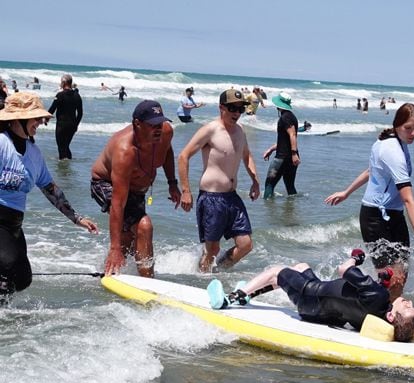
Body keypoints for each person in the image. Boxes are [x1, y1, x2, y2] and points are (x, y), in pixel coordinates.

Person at [324, 103, 414, 299]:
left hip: (394, 216)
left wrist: (346, 192)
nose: (413, 133)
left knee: (401, 275)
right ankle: (359, 303)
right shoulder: (391, 150)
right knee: (390, 278)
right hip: (375, 218)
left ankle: (385, 309)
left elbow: (371, 171)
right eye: (408, 128)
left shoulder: (396, 144)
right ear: (397, 125)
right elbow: (408, 198)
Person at [0, 92, 98, 300]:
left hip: (14, 224)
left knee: (22, 279)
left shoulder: (34, 153)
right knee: (6, 270)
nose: (41, 122)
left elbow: (51, 189)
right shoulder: (1, 143)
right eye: (36, 118)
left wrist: (77, 218)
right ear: (19, 119)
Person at [219, 250, 414, 342]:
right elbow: (362, 304)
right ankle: (251, 294)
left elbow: (343, 270)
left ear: (392, 317)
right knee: (301, 267)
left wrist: (355, 258)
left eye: (408, 306)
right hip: (319, 312)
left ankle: (234, 297)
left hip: (309, 297)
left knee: (277, 272)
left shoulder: (378, 295)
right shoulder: (377, 320)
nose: (408, 301)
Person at [90, 100, 181, 277]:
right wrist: (113, 247)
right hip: (105, 184)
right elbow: (118, 203)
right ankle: (148, 280)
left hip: (137, 190)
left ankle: (113, 274)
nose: (158, 129)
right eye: (152, 125)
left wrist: (172, 183)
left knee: (131, 238)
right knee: (143, 227)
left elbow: (167, 152)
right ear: (137, 124)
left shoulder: (166, 132)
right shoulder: (125, 152)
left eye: (160, 123)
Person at [178, 89, 260, 272]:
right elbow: (183, 156)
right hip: (211, 198)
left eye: (241, 108)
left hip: (232, 198)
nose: (237, 113)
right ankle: (201, 278)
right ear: (221, 107)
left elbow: (246, 156)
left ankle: (218, 272)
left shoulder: (240, 131)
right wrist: (185, 190)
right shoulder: (210, 130)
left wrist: (255, 181)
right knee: (212, 249)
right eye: (232, 108)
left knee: (246, 245)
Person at [262, 92, 299, 199]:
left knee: (269, 184)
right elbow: (286, 140)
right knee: (290, 186)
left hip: (282, 158)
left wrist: (294, 154)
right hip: (290, 157)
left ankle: (267, 211)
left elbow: (292, 135)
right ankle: (291, 211)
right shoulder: (291, 116)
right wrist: (271, 149)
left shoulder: (285, 118)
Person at [47, 74, 83, 160]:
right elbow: (80, 113)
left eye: (61, 82)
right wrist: (76, 125)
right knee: (66, 146)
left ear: (64, 82)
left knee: (61, 147)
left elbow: (52, 109)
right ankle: (67, 166)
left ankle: (63, 169)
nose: (60, 84)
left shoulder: (60, 95)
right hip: (72, 126)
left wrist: (45, 118)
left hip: (61, 125)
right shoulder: (77, 96)